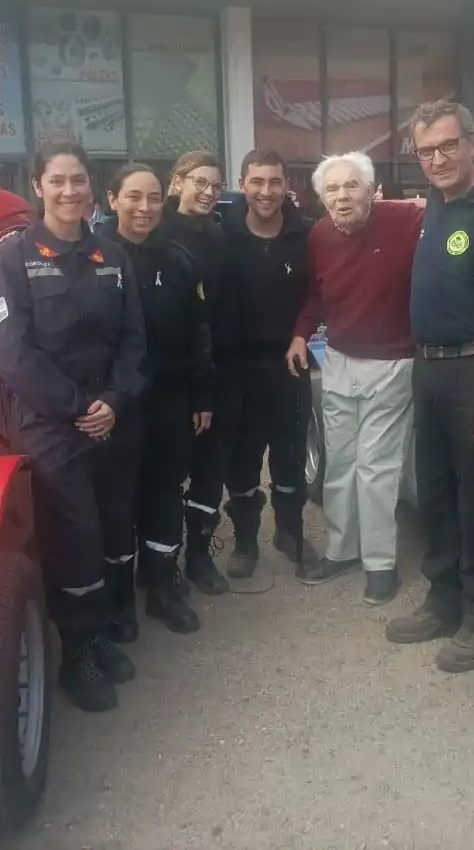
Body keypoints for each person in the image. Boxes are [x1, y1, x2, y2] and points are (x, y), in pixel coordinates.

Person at [0, 143, 148, 713]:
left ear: (91, 186)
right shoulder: (14, 258)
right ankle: (76, 654)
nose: (70, 191)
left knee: (109, 530)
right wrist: (79, 406)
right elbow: (12, 353)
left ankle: (99, 634)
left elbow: (133, 342)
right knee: (74, 538)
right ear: (38, 186)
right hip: (53, 425)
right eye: (58, 181)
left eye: (79, 180)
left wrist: (113, 401)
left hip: (110, 419)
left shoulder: (112, 258)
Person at [386, 101, 474, 674]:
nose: (437, 159)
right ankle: (442, 599)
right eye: (426, 151)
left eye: (447, 146)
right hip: (431, 369)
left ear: (472, 141)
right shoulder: (437, 207)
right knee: (438, 492)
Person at [286, 152, 421, 604]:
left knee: (377, 468)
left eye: (351, 187)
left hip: (393, 363)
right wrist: (301, 335)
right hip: (340, 358)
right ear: (321, 197)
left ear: (371, 189)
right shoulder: (320, 234)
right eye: (332, 190)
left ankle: (380, 562)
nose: (341, 197)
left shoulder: (405, 219)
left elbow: (449, 204)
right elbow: (314, 294)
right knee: (340, 464)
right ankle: (343, 550)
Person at [95, 163, 214, 634]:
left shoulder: (179, 258)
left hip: (170, 398)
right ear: (112, 200)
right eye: (133, 197)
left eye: (153, 197)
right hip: (115, 406)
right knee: (118, 500)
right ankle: (121, 601)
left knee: (165, 495)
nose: (144, 207)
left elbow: (199, 331)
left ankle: (163, 590)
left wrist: (203, 392)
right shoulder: (95, 258)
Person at [221, 150, 316, 578]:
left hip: (288, 365)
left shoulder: (307, 236)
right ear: (243, 183)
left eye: (274, 182)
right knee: (240, 460)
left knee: (290, 457)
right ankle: (244, 539)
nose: (266, 191)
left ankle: (290, 532)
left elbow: (319, 293)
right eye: (257, 181)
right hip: (236, 368)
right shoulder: (221, 235)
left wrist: (301, 332)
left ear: (286, 185)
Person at [156, 150, 240, 596]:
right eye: (199, 182)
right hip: (170, 378)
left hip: (219, 374)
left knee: (210, 471)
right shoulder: (154, 232)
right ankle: (160, 563)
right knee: (167, 477)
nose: (208, 192)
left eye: (215, 184)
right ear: (177, 183)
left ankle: (200, 555)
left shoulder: (222, 237)